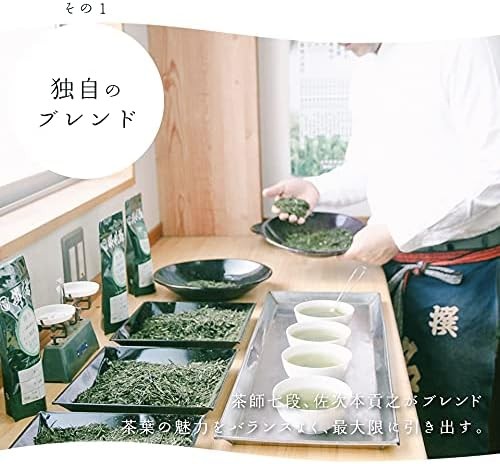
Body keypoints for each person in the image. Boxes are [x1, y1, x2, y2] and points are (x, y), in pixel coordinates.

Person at [263, 39, 500, 458]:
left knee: (452, 418)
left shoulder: (462, 42)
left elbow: (493, 177)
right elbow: (367, 168)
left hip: (462, 274)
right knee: (407, 417)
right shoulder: (368, 67)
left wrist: (399, 232)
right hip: (396, 266)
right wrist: (316, 188)